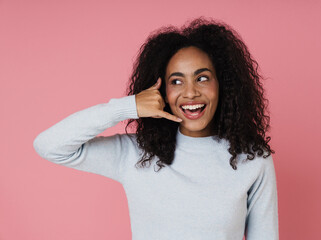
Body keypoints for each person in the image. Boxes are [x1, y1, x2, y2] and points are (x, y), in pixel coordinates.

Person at [33, 17, 279, 240]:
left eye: (202, 78)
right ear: (162, 92)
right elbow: (50, 146)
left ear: (223, 84)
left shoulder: (253, 159)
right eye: (176, 81)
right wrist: (128, 107)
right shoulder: (136, 153)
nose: (190, 92)